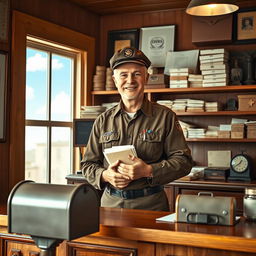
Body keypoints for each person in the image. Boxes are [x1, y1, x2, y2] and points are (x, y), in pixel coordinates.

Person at [81, 47, 193, 211]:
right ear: (115, 80)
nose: (130, 80)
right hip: (110, 205)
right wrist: (106, 175)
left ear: (146, 77)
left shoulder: (165, 117)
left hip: (151, 206)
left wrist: (148, 170)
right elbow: (88, 165)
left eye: (137, 74)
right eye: (123, 75)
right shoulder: (102, 121)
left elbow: (184, 162)